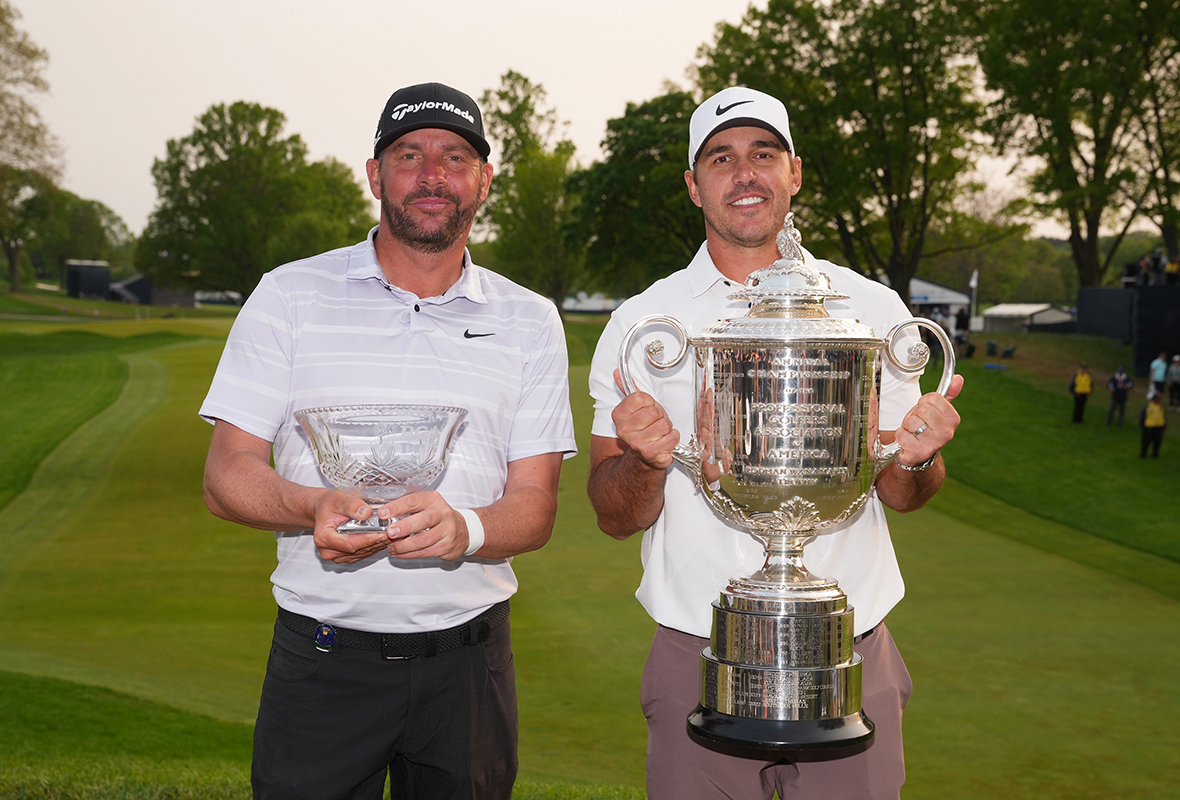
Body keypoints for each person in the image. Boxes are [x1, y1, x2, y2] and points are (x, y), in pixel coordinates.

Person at [199, 82, 576, 800]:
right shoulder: (289, 295)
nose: (432, 175)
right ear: (375, 175)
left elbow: (535, 505)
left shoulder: (530, 320)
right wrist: (313, 506)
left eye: (455, 156)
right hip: (323, 658)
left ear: (484, 180)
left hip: (469, 666)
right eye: (410, 154)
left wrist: (464, 528)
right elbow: (226, 476)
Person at [586, 87, 964, 800]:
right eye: (722, 159)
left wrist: (917, 455)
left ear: (794, 172)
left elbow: (904, 493)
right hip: (696, 648)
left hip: (848, 648)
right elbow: (613, 515)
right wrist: (643, 460)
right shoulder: (644, 320)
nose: (746, 173)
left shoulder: (873, 309)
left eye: (764, 154)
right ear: (695, 185)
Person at [1140, 392, 1167, 458]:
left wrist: (1164, 427)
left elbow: (1163, 418)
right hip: (1149, 428)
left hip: (1158, 428)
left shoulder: (1160, 408)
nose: (1159, 401)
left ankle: (1155, 454)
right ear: (1154, 399)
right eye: (1158, 399)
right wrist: (1143, 426)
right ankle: (1143, 454)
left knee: (1157, 442)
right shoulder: (1148, 407)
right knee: (1146, 442)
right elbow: (1142, 417)